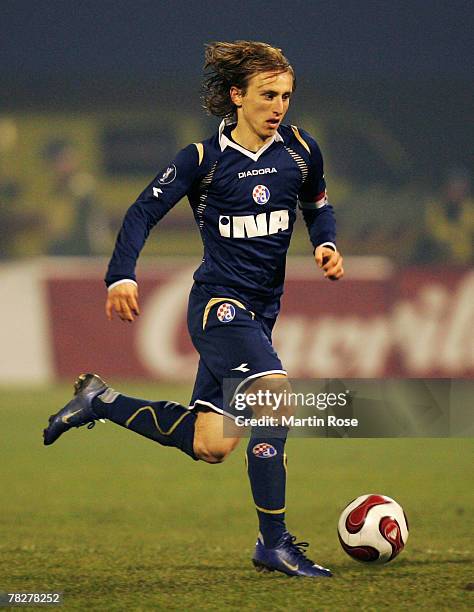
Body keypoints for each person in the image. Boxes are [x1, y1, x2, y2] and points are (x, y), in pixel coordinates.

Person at [43, 40, 344, 578]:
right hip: (219, 307)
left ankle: (100, 401)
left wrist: (326, 242)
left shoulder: (301, 150)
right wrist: (121, 275)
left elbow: (317, 205)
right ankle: (272, 543)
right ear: (236, 95)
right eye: (267, 95)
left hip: (262, 311)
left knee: (212, 445)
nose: (279, 107)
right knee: (275, 395)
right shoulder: (202, 160)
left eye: (286, 97)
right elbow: (140, 212)